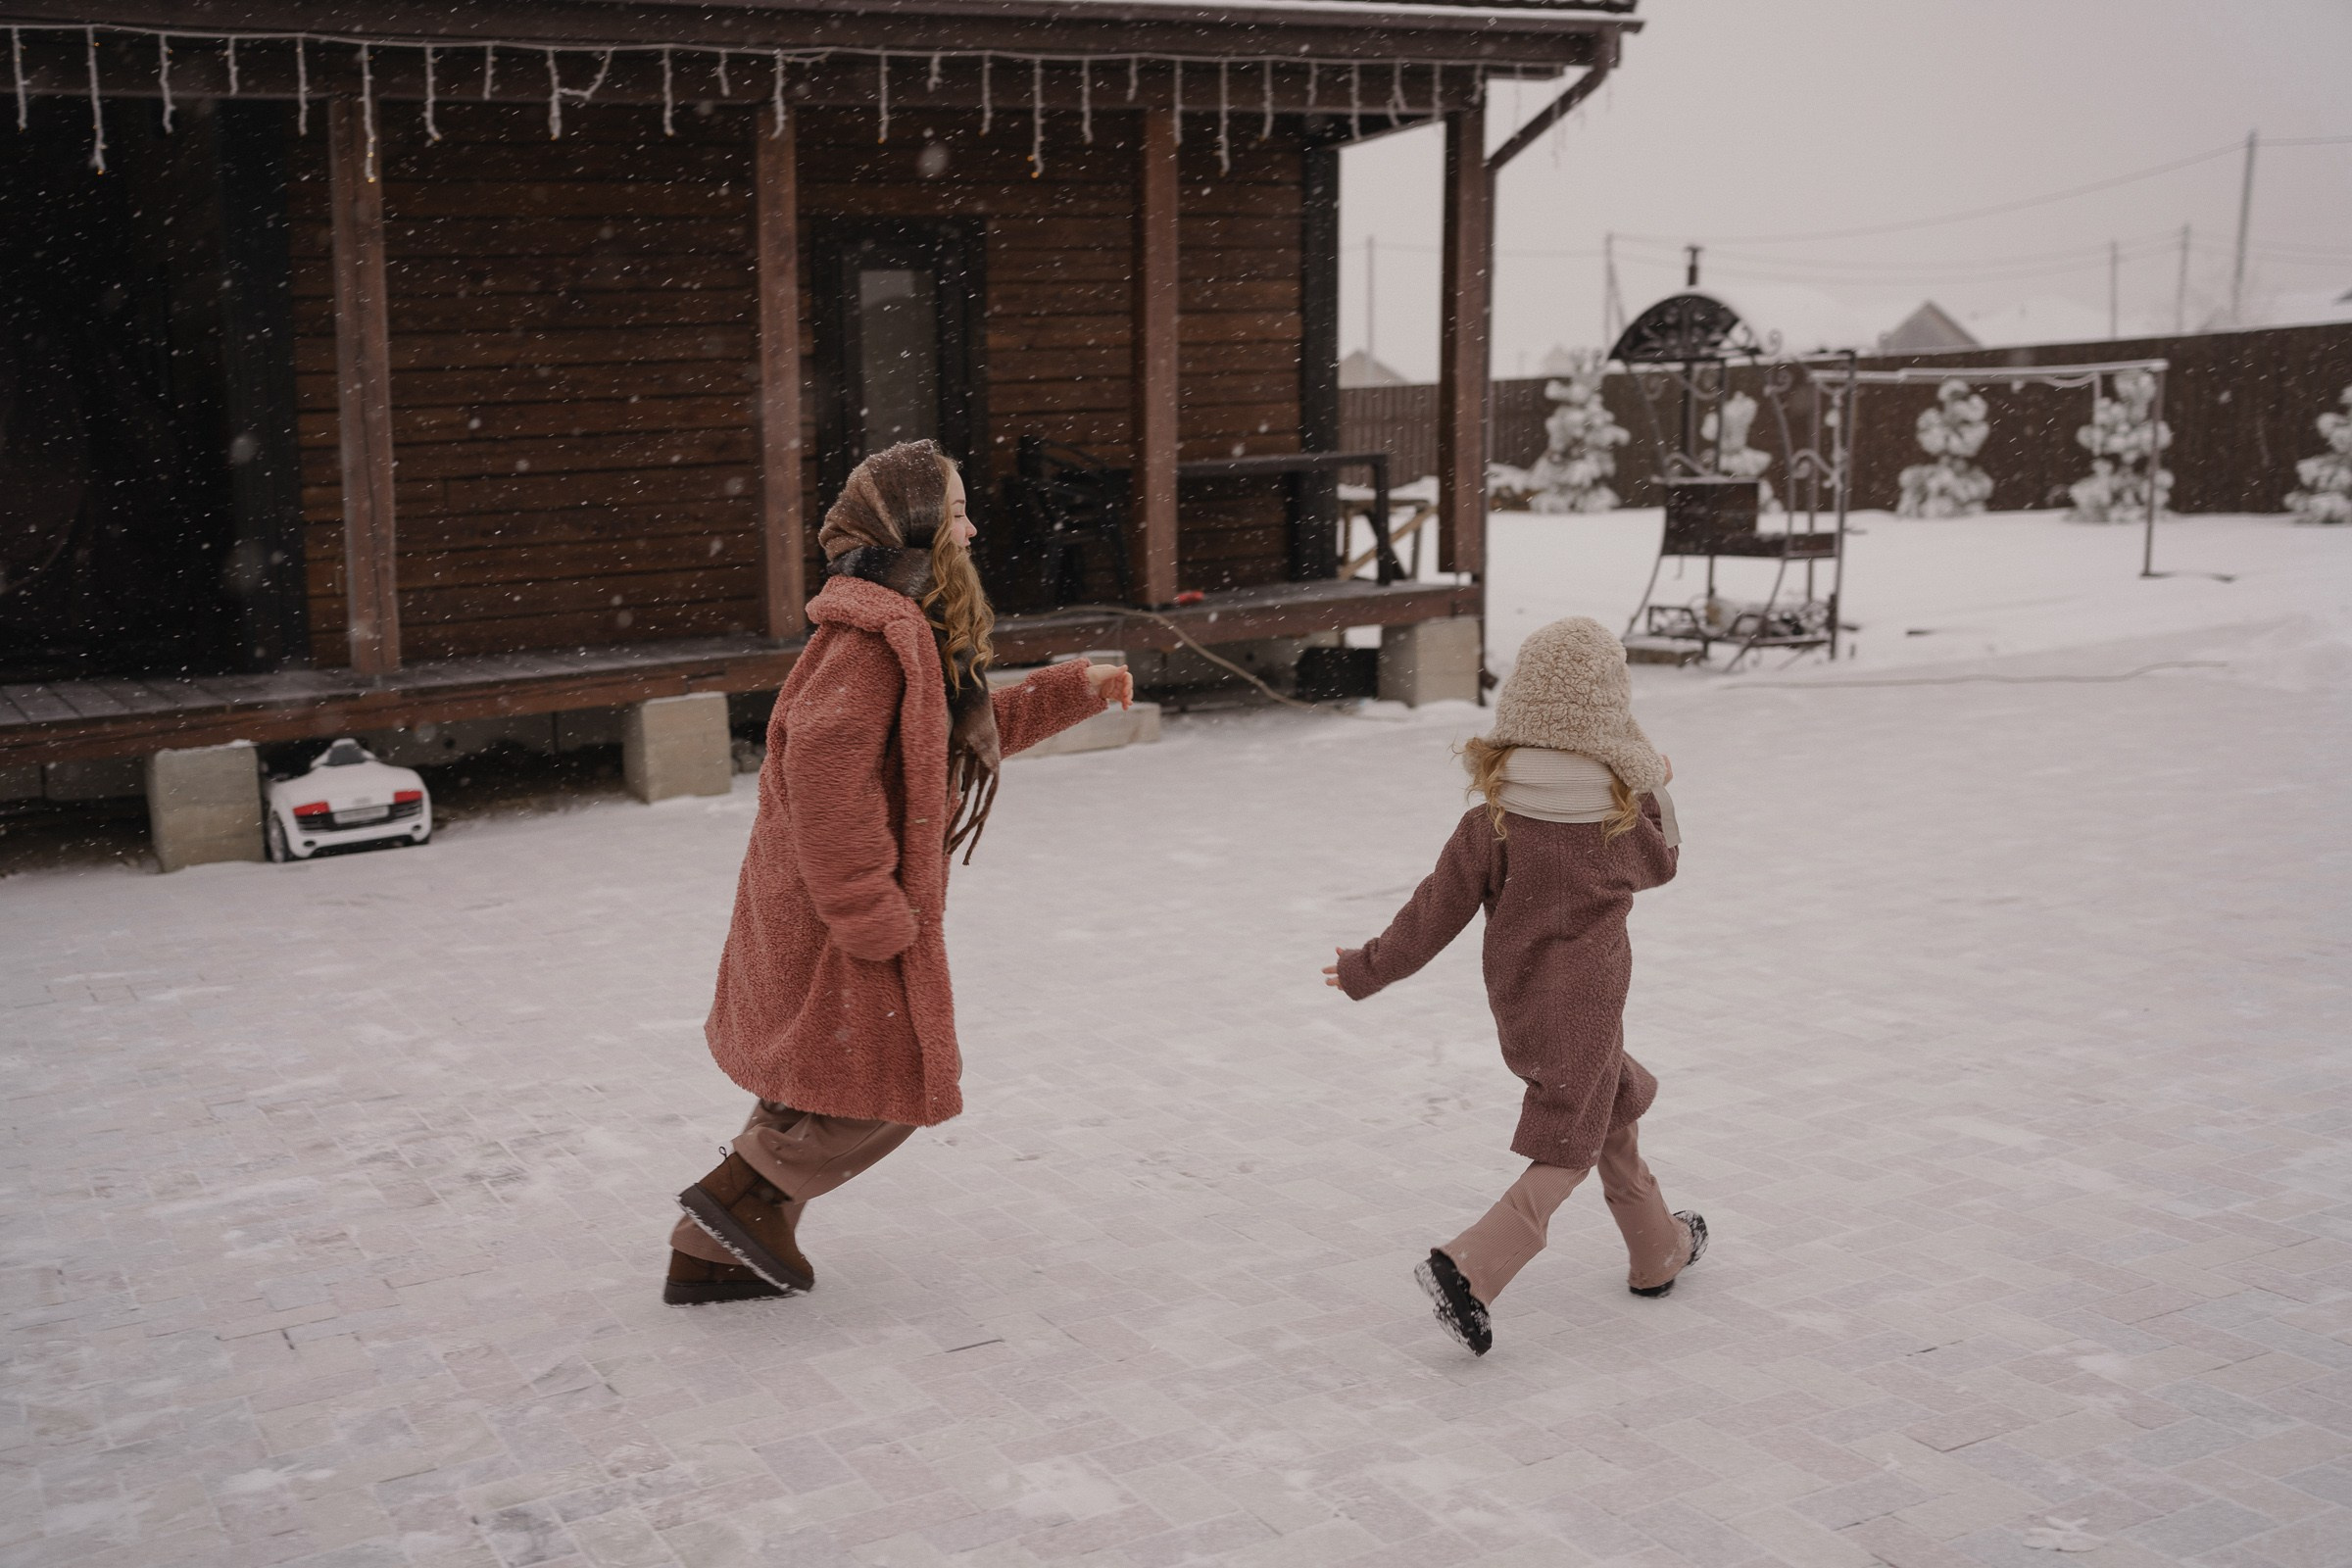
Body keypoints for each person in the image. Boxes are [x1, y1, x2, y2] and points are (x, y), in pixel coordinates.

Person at [664, 439, 1133, 1305]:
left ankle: (710, 1249)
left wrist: (1078, 686)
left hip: (830, 898)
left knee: (817, 1071)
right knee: (888, 1079)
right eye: (956, 510)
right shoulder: (872, 640)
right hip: (838, 903)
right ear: (915, 527)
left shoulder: (904, 626)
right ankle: (739, 1199)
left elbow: (951, 733)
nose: (973, 525)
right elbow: (826, 771)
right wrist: (864, 904)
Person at [1323, 616, 1705, 1354]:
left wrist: (1368, 965)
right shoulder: (1620, 823)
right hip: (1590, 1003)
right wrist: (1653, 783)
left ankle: (1658, 1248)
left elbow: (1430, 916)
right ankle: (1471, 1267)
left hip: (1522, 1002)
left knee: (1610, 1103)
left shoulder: (1492, 822)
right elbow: (1669, 861)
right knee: (1569, 1137)